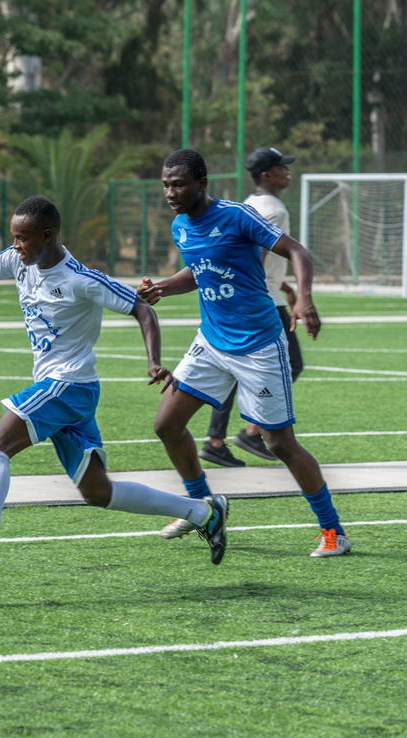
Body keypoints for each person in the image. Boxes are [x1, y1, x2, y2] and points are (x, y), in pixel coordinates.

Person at [0, 196, 228, 586]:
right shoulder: (18, 260)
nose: (15, 246)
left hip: (68, 384)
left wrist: (153, 360)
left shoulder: (81, 279)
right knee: (98, 491)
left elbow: (142, 309)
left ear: (47, 236)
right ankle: (204, 513)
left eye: (23, 239)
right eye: (13, 238)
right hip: (69, 391)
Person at [139, 148, 351, 557]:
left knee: (279, 444)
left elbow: (298, 252)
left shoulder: (237, 215)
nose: (170, 191)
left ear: (201, 184)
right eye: (165, 184)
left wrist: (303, 299)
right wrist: (162, 287)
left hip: (258, 345)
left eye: (178, 184)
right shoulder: (181, 225)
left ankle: (332, 530)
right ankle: (202, 507)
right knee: (166, 424)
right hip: (211, 342)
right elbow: (200, 271)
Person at [199, 146, 306, 468]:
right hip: (262, 302)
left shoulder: (248, 204)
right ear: (266, 175)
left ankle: (218, 441)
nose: (288, 172)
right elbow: (255, 257)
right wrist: (294, 294)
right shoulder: (275, 209)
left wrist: (285, 285)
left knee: (234, 371)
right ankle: (251, 431)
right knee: (292, 363)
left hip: (256, 296)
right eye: (281, 167)